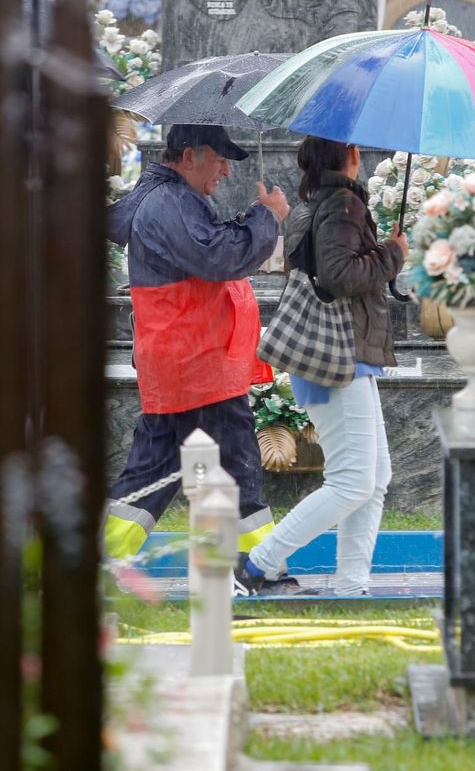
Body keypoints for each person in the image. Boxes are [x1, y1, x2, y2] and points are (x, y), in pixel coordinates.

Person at [104, 124, 292, 569]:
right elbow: (218, 257)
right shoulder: (169, 202)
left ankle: (100, 558)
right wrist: (266, 218)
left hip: (185, 361)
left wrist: (251, 219)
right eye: (221, 158)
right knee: (235, 468)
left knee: (151, 473)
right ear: (189, 157)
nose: (226, 170)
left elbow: (208, 248)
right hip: (198, 362)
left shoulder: (168, 199)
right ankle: (254, 566)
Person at [234, 136, 408, 597]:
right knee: (353, 481)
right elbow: (340, 275)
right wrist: (393, 254)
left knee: (374, 478)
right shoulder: (342, 204)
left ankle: (352, 585)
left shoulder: (315, 203)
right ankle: (255, 565)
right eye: (354, 147)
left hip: (338, 354)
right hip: (340, 354)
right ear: (347, 156)